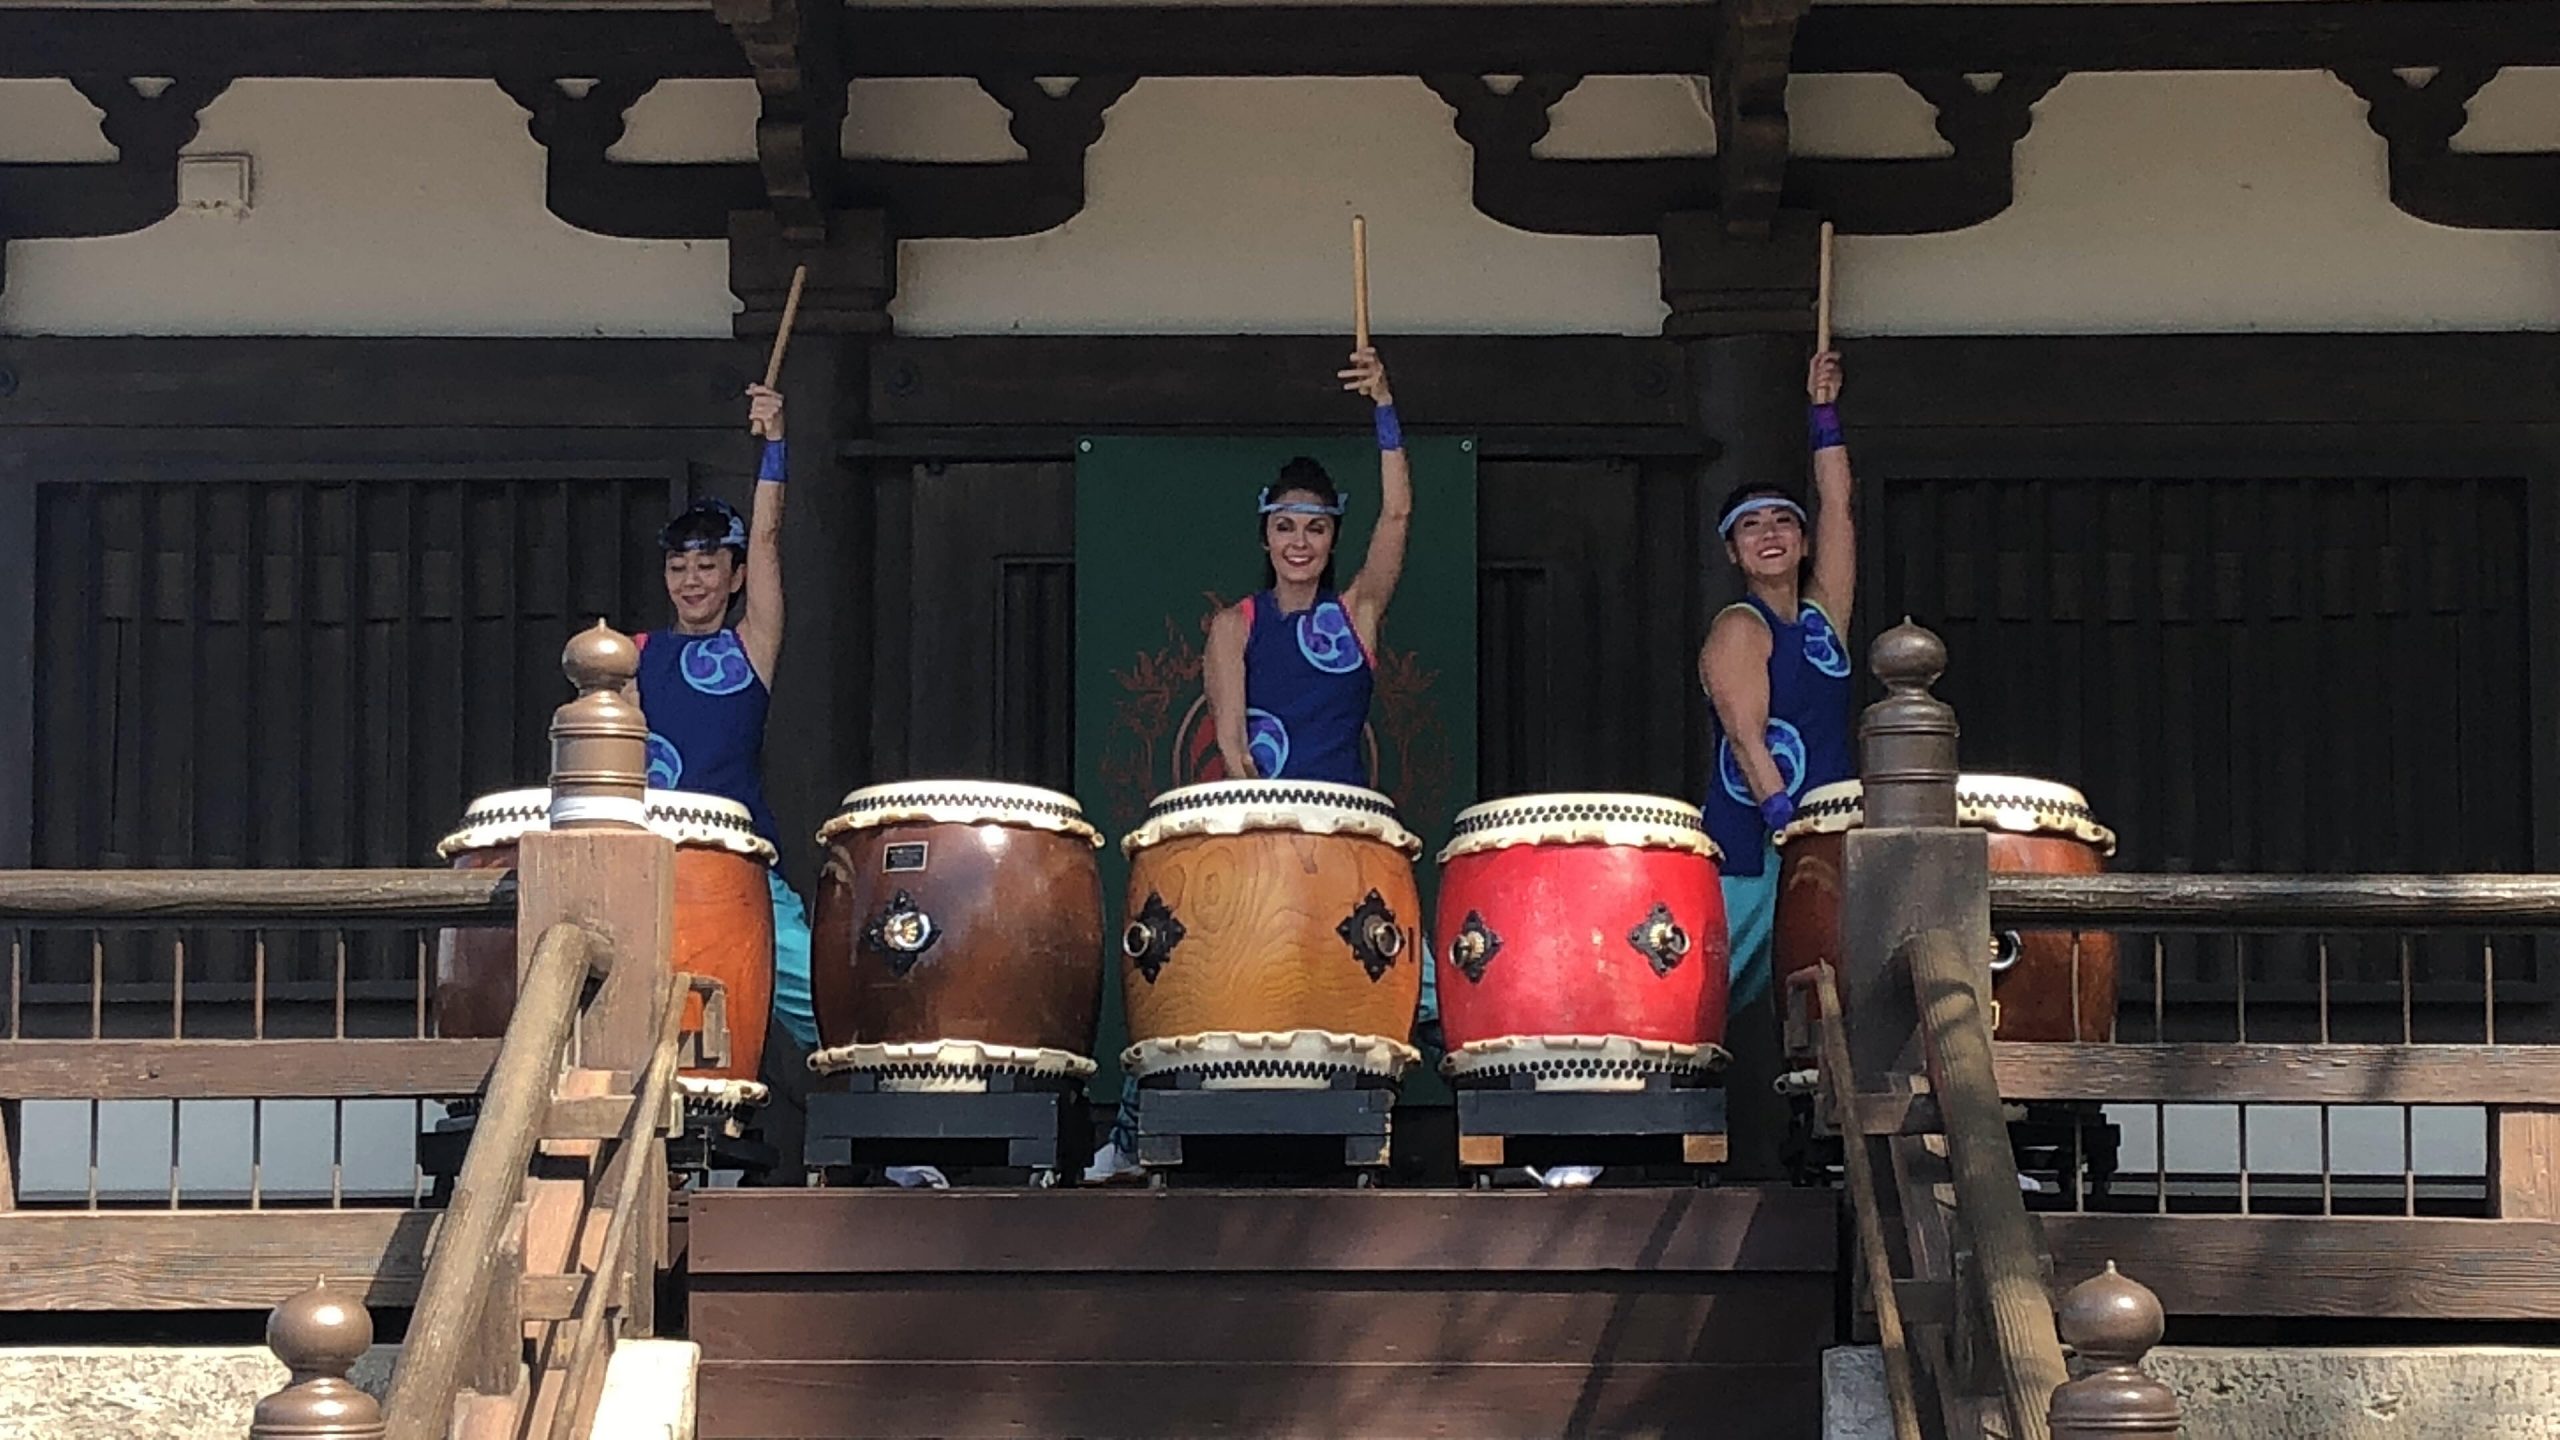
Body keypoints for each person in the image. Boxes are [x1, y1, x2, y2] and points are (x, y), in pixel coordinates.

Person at [1084, 347, 1414, 1182]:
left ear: (1332, 534)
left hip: (1348, 843)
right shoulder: (1236, 624)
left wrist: (1385, 411)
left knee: (1413, 982)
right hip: (1261, 834)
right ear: (1264, 535)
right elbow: (1232, 745)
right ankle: (1132, 1132)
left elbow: (1400, 519)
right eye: (1284, 527)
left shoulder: (1357, 614)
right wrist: (1269, 837)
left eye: (1315, 527)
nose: (1299, 542)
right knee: (1193, 971)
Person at [638, 385, 938, 1187]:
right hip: (653, 872)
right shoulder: (630, 657)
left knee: (822, 1007)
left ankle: (890, 1150)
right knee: (648, 1025)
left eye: (709, 565)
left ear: (735, 576)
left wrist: (776, 446)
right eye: (679, 565)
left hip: (741, 868)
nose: (692, 580)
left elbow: (769, 537)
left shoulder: (749, 648)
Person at [1699, 348, 1856, 1107]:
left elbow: (1841, 511)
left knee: (1821, 976)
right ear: (1733, 550)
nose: (1770, 535)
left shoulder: (1825, 622)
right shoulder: (1740, 625)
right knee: (1707, 988)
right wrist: (1784, 825)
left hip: (1818, 836)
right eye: (1751, 527)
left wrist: (1823, 412)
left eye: (1782, 523)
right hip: (1757, 838)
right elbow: (1745, 734)